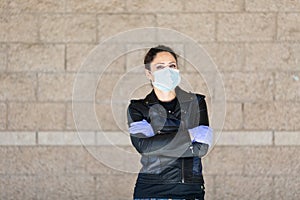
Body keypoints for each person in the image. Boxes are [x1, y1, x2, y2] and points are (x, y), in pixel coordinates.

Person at [127, 45, 213, 200]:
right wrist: (191, 134)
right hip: (151, 191)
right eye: (160, 67)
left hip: (190, 191)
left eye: (172, 66)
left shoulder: (196, 102)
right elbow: (145, 147)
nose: (168, 71)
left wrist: (159, 143)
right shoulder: (138, 108)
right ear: (149, 74)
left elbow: (201, 149)